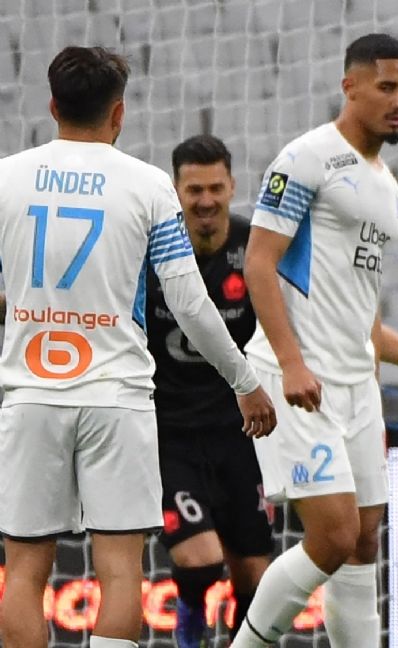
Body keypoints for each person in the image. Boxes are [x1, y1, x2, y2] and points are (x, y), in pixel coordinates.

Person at [230, 33, 398, 647]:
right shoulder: (306, 158)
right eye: (386, 87)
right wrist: (292, 364)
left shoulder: (386, 185)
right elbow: (259, 264)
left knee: (363, 541)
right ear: (349, 86)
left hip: (357, 387)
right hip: (298, 380)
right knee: (332, 536)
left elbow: (361, 315)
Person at [0, 47, 276, 648]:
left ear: (52, 106)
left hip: (31, 396)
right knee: (121, 570)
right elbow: (190, 304)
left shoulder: (6, 177)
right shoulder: (149, 185)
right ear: (119, 112)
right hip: (117, 400)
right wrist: (245, 381)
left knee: (23, 571)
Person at [146, 134, 275, 646]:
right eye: (194, 189)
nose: (205, 200)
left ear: (232, 186)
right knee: (200, 561)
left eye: (215, 188)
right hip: (170, 435)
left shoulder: (255, 250)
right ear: (175, 191)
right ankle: (188, 628)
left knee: (257, 583)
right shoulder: (148, 251)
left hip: (242, 434)